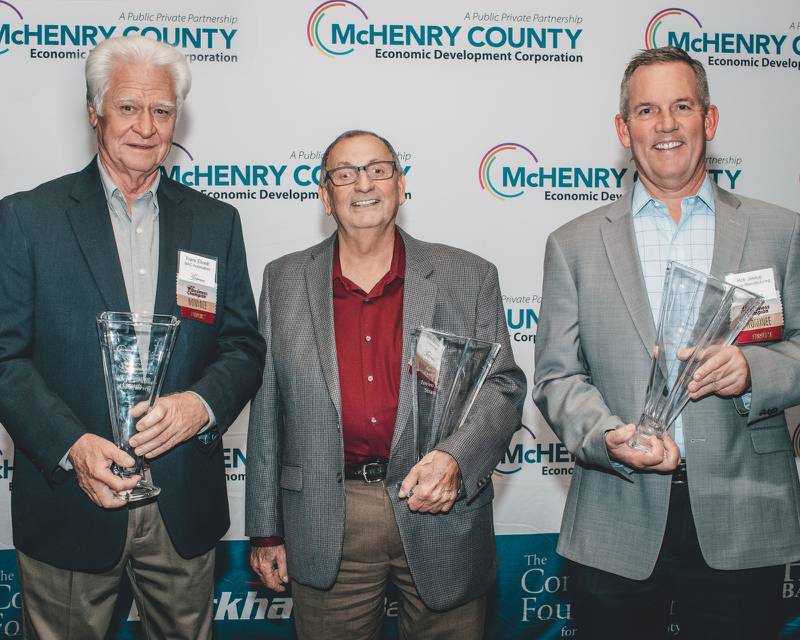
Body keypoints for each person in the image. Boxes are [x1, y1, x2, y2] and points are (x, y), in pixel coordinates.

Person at [0, 35, 265, 639]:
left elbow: (243, 347)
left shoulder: (216, 222)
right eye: (127, 107)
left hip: (182, 504)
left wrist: (199, 405)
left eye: (162, 110)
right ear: (94, 111)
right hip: (71, 498)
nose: (146, 127)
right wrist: (72, 445)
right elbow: (4, 357)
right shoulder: (27, 218)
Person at [532, 46, 800, 640]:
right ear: (624, 130)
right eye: (647, 110)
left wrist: (754, 369)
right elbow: (555, 376)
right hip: (615, 513)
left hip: (744, 512)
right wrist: (606, 434)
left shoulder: (780, 231)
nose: (667, 124)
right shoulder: (572, 244)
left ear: (710, 120)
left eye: (682, 105)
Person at [245, 129, 525, 639]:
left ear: (401, 185)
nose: (363, 184)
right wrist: (265, 529)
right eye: (344, 174)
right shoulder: (283, 279)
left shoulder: (469, 275)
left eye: (378, 169)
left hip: (440, 505)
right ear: (325, 197)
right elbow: (267, 408)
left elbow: (501, 388)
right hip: (329, 516)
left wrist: (456, 460)